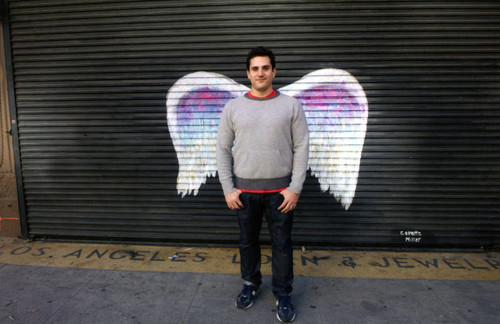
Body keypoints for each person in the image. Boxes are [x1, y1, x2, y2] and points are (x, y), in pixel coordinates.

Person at [216, 46, 309, 323]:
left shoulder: (291, 105)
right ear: (248, 73)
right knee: (248, 242)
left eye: (265, 68)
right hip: (244, 193)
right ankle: (250, 284)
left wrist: (295, 188)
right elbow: (222, 148)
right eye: (255, 68)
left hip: (281, 193)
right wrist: (228, 188)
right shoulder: (233, 107)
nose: (260, 73)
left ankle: (283, 293)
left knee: (282, 245)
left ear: (274, 71)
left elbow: (302, 147)